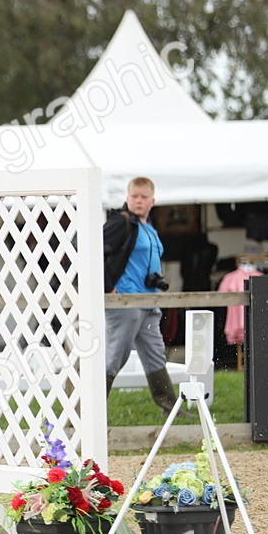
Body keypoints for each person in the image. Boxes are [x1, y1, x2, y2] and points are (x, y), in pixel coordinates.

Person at [102, 177, 179, 414]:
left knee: (155, 353)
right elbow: (95, 251)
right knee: (116, 354)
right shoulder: (121, 223)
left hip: (148, 301)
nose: (138, 200)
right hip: (126, 301)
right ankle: (89, 408)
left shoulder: (149, 228)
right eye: (134, 196)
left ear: (152, 201)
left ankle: (169, 407)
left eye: (143, 196)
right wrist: (108, 289)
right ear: (127, 198)